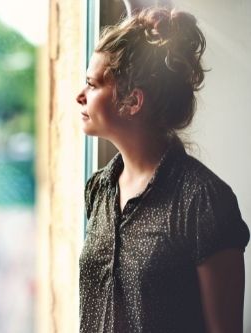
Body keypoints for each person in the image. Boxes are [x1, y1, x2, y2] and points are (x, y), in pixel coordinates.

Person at [76, 7, 249, 333]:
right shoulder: (98, 189)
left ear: (133, 102)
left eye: (92, 84)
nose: (79, 96)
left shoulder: (205, 202)